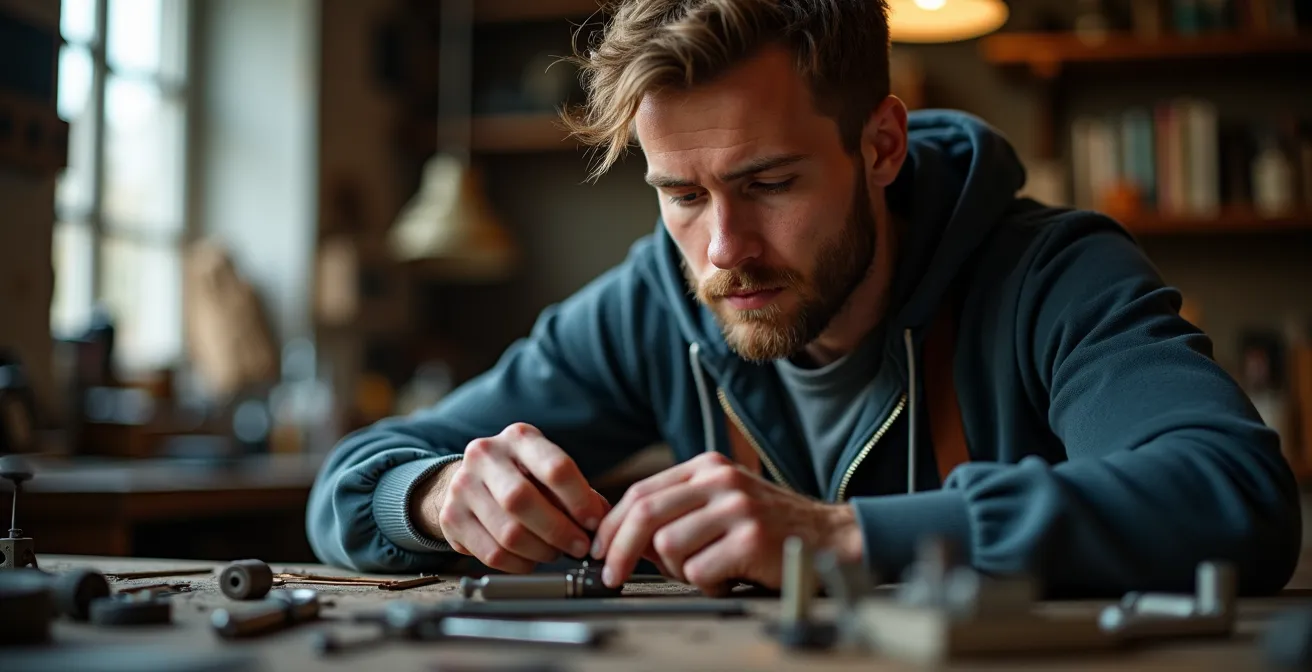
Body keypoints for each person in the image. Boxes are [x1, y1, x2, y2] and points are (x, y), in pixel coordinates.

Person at [306, 0, 1303, 598]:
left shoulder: (1054, 276)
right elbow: (348, 481)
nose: (723, 251)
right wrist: (437, 496)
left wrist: (840, 537)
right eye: (682, 196)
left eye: (770, 184)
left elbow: (1233, 497)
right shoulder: (653, 302)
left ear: (879, 145)